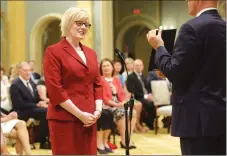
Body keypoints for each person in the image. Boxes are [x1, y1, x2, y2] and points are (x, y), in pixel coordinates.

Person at [147, 0, 226, 155]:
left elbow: (176, 72)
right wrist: (169, 70)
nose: (187, 1)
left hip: (196, 120)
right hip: (221, 115)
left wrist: (159, 47)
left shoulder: (191, 27)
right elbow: (206, 68)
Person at [43, 7, 103, 155]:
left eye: (86, 24)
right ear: (68, 23)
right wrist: (80, 114)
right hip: (65, 118)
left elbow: (98, 84)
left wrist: (98, 110)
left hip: (89, 118)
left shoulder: (91, 53)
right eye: (79, 23)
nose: (83, 27)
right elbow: (55, 89)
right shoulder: (54, 51)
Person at [9, 62, 50, 149]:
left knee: (49, 109)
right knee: (45, 112)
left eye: (29, 70)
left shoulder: (31, 82)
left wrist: (42, 102)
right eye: (25, 71)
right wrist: (36, 105)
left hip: (32, 109)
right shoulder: (15, 85)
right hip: (22, 111)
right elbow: (19, 104)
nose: (28, 73)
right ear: (19, 71)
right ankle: (43, 141)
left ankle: (48, 139)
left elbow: (36, 97)